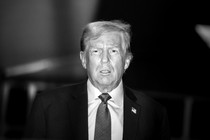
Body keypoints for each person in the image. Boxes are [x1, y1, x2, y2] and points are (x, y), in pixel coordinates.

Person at [24, 20, 170, 140]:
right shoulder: (47, 106)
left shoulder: (153, 114)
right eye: (96, 51)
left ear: (126, 61)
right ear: (83, 60)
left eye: (113, 51)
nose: (104, 60)